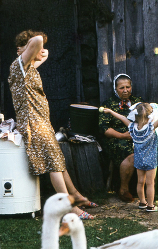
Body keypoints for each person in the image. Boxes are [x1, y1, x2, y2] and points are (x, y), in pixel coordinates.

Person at [8, 29, 97, 219]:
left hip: (42, 121)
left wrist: (36, 52)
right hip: (33, 123)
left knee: (58, 159)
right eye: (36, 48)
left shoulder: (29, 68)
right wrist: (28, 48)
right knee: (53, 164)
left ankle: (75, 196)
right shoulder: (19, 65)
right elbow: (39, 40)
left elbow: (42, 52)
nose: (42, 49)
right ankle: (68, 206)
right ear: (22, 49)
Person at [103, 103, 158, 212]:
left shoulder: (132, 128)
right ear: (150, 116)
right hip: (150, 161)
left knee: (140, 182)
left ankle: (142, 202)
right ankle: (150, 206)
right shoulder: (151, 127)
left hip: (139, 160)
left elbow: (121, 117)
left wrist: (110, 111)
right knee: (150, 183)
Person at [99, 74, 143, 202]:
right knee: (130, 153)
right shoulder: (108, 104)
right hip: (117, 138)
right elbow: (104, 129)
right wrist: (123, 135)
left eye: (128, 87)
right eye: (121, 88)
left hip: (137, 137)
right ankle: (124, 189)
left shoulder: (138, 101)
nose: (125, 90)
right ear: (115, 89)